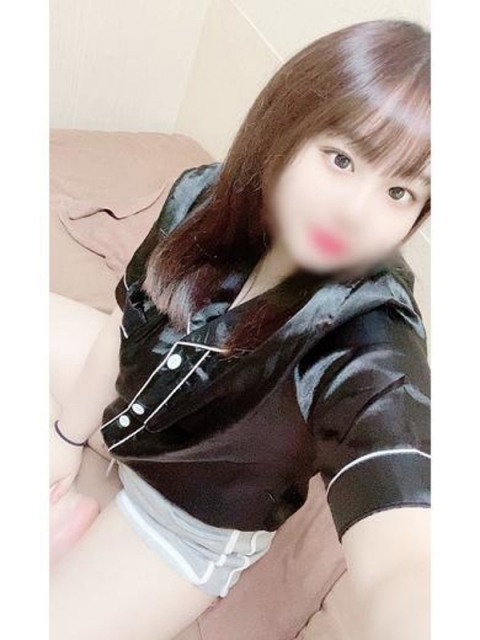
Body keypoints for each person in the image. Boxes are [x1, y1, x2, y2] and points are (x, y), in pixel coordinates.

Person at [50, 18, 431, 640]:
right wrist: (65, 438)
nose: (356, 212)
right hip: (132, 404)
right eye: (341, 159)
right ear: (290, 124)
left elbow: (407, 551)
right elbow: (124, 321)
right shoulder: (204, 193)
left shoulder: (370, 335)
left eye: (399, 192)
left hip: (177, 524)